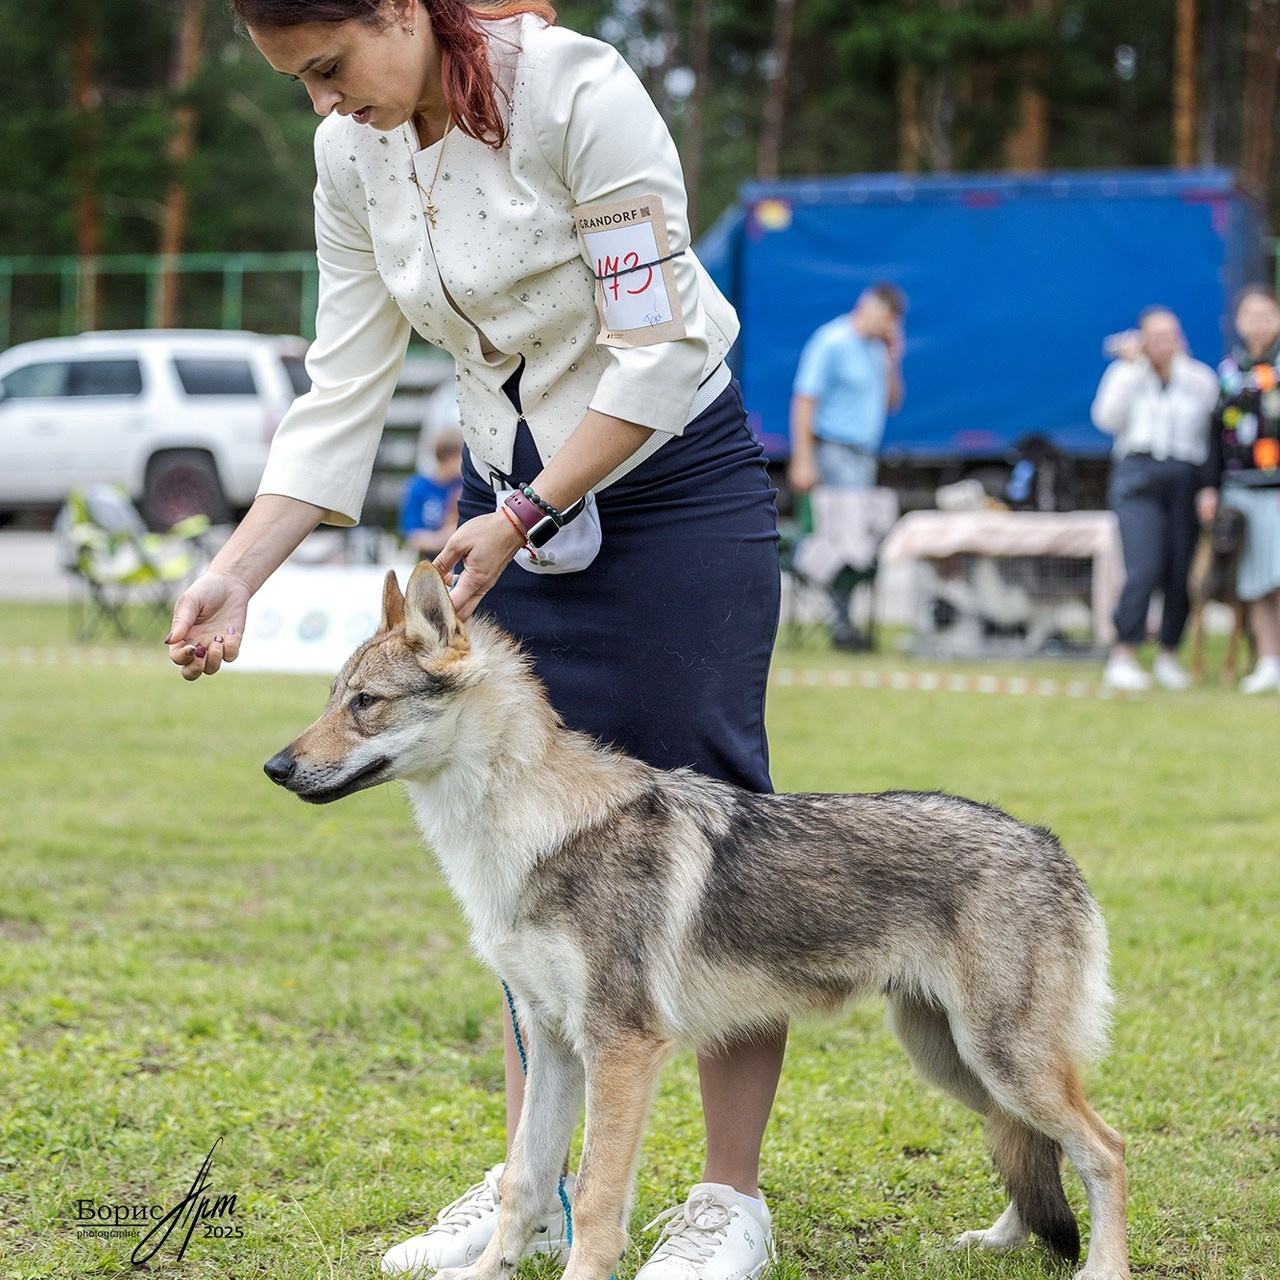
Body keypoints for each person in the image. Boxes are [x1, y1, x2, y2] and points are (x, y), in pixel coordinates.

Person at [163, 3, 784, 1278]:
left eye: (329, 66)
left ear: (401, 9)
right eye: (296, 83)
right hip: (504, 511)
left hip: (666, 486)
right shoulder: (351, 151)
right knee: (522, 853)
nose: (322, 103)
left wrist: (524, 511)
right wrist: (236, 570)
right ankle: (530, 1189)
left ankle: (726, 1198)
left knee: (714, 828)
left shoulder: (575, 90)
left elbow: (657, 347)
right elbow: (345, 379)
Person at [1090, 307, 1218, 690]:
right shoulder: (1126, 374)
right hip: (1138, 474)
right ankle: (1124, 651)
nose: (1164, 344)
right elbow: (1106, 419)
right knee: (1143, 566)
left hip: (1183, 475)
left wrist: (1208, 485)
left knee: (1179, 570)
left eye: (1170, 336)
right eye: (1156, 337)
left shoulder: (1198, 378)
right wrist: (1132, 370)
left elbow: (1211, 433)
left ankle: (1168, 652)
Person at [787, 283, 906, 649]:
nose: (888, 328)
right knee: (840, 538)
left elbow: (892, 402)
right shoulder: (831, 342)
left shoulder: (876, 351)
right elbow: (804, 401)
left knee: (857, 541)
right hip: (834, 451)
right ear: (869, 308)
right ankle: (839, 623)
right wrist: (803, 459)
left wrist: (893, 360)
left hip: (864, 454)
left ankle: (845, 620)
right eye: (887, 320)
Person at [1196, 285, 1280, 693]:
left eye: (1267, 315)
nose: (1260, 324)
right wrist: (1209, 488)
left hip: (1276, 489)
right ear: (1239, 322)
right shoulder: (1230, 373)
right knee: (1254, 579)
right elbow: (1214, 436)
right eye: (1252, 316)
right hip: (1241, 490)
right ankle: (1268, 660)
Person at [399, 426, 463, 557]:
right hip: (427, 560)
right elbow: (413, 537)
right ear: (449, 459)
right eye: (462, 459)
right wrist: (445, 537)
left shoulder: (462, 486)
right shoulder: (418, 488)